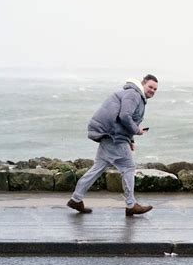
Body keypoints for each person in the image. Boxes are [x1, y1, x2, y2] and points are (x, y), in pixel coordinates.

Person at [67, 74, 158, 216]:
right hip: (115, 138)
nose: (152, 90)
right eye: (150, 87)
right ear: (143, 84)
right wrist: (137, 131)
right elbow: (124, 116)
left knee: (97, 168)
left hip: (109, 136)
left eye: (155, 89)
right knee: (128, 168)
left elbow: (125, 119)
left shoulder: (133, 94)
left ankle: (76, 198)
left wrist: (131, 140)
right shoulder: (134, 94)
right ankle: (131, 205)